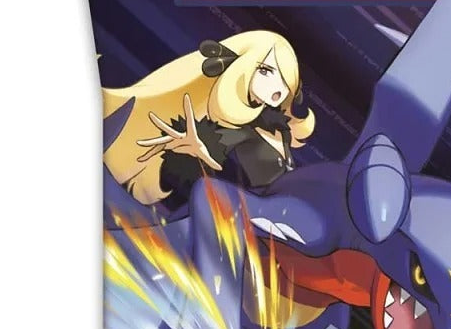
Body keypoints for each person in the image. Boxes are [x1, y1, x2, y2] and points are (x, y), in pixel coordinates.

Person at [103, 30, 315, 205]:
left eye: (285, 83)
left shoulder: (270, 124)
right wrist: (187, 161)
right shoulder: (223, 130)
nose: (276, 90)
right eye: (265, 71)